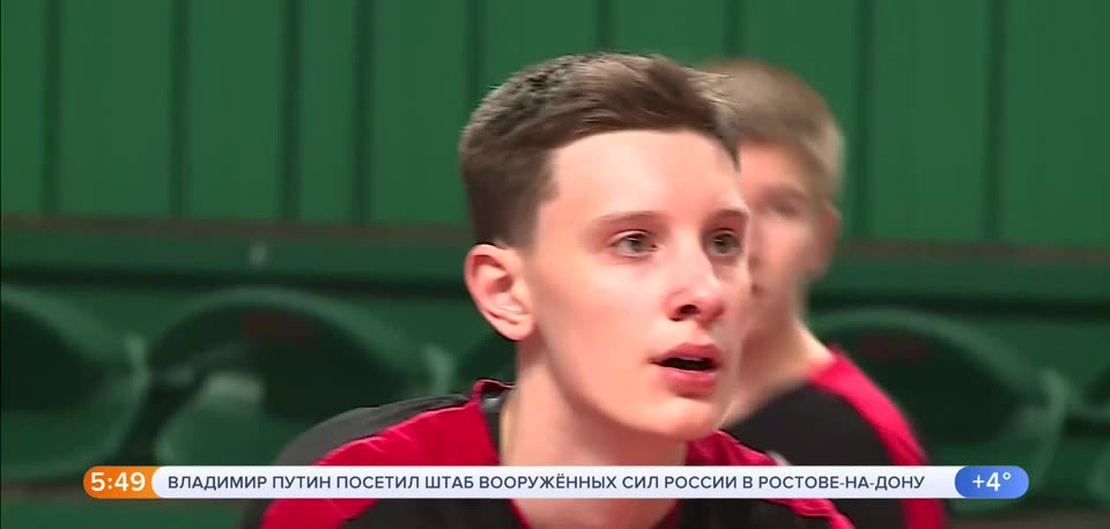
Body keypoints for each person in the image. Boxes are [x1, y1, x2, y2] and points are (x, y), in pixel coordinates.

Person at [245, 53, 852, 529]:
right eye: (634, 243)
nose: (706, 292)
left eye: (723, 242)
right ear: (506, 291)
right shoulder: (344, 504)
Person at [704, 58, 948, 529]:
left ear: (822, 239)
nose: (746, 244)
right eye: (722, 209)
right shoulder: (617, 408)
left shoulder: (871, 444)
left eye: (781, 209)